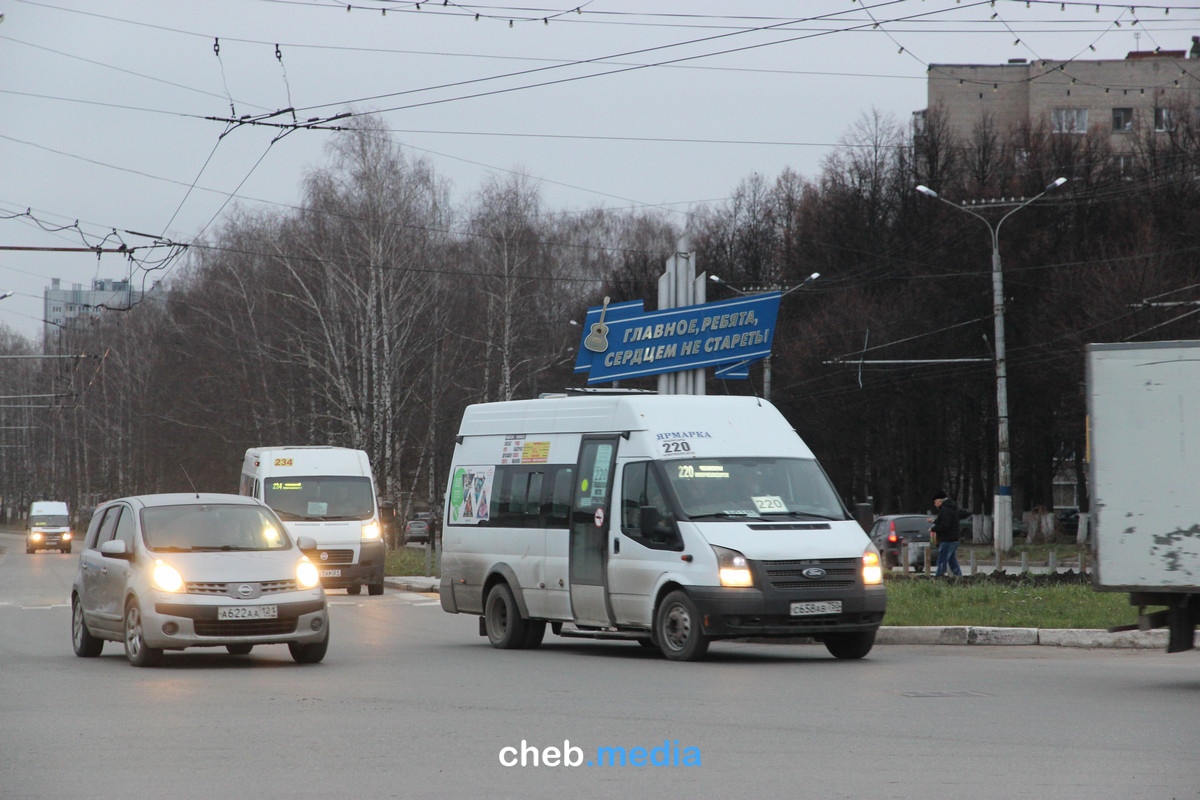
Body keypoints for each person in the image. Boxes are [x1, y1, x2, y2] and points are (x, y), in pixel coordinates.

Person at [929, 490, 963, 577]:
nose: (934, 504)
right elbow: (944, 521)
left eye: (935, 502)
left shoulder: (946, 510)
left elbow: (945, 525)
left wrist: (933, 529)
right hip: (953, 539)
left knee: (942, 560)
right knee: (952, 561)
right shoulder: (949, 509)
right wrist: (934, 521)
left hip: (948, 539)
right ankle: (959, 578)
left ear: (940, 501)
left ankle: (939, 578)